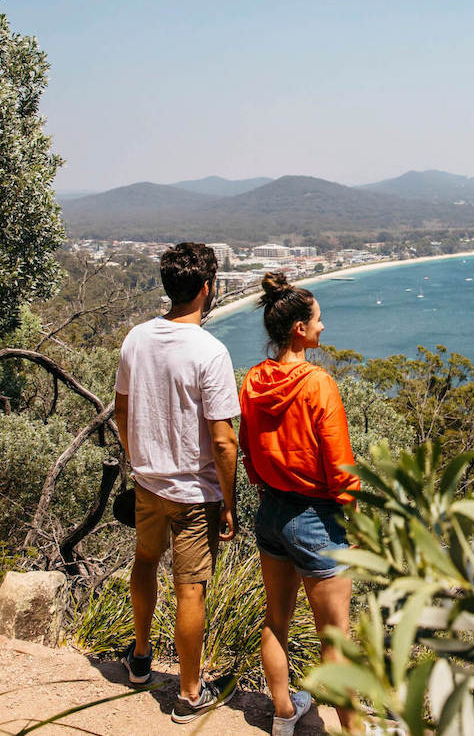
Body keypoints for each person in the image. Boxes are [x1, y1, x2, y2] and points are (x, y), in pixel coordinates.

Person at [113, 242, 240, 723]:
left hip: (148, 484)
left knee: (145, 562)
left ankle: (141, 658)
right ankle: (190, 694)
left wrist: (139, 459)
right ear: (208, 289)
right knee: (191, 589)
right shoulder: (211, 351)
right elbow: (224, 440)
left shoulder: (137, 338)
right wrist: (228, 504)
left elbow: (123, 411)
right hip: (194, 492)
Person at [238, 272, 359, 735]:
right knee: (337, 640)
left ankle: (284, 714)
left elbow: (247, 445)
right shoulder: (317, 384)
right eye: (318, 320)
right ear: (299, 330)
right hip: (316, 518)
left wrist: (263, 485)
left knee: (276, 620)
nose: (323, 328)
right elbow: (340, 464)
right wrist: (351, 511)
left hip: (271, 513)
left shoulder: (253, 380)